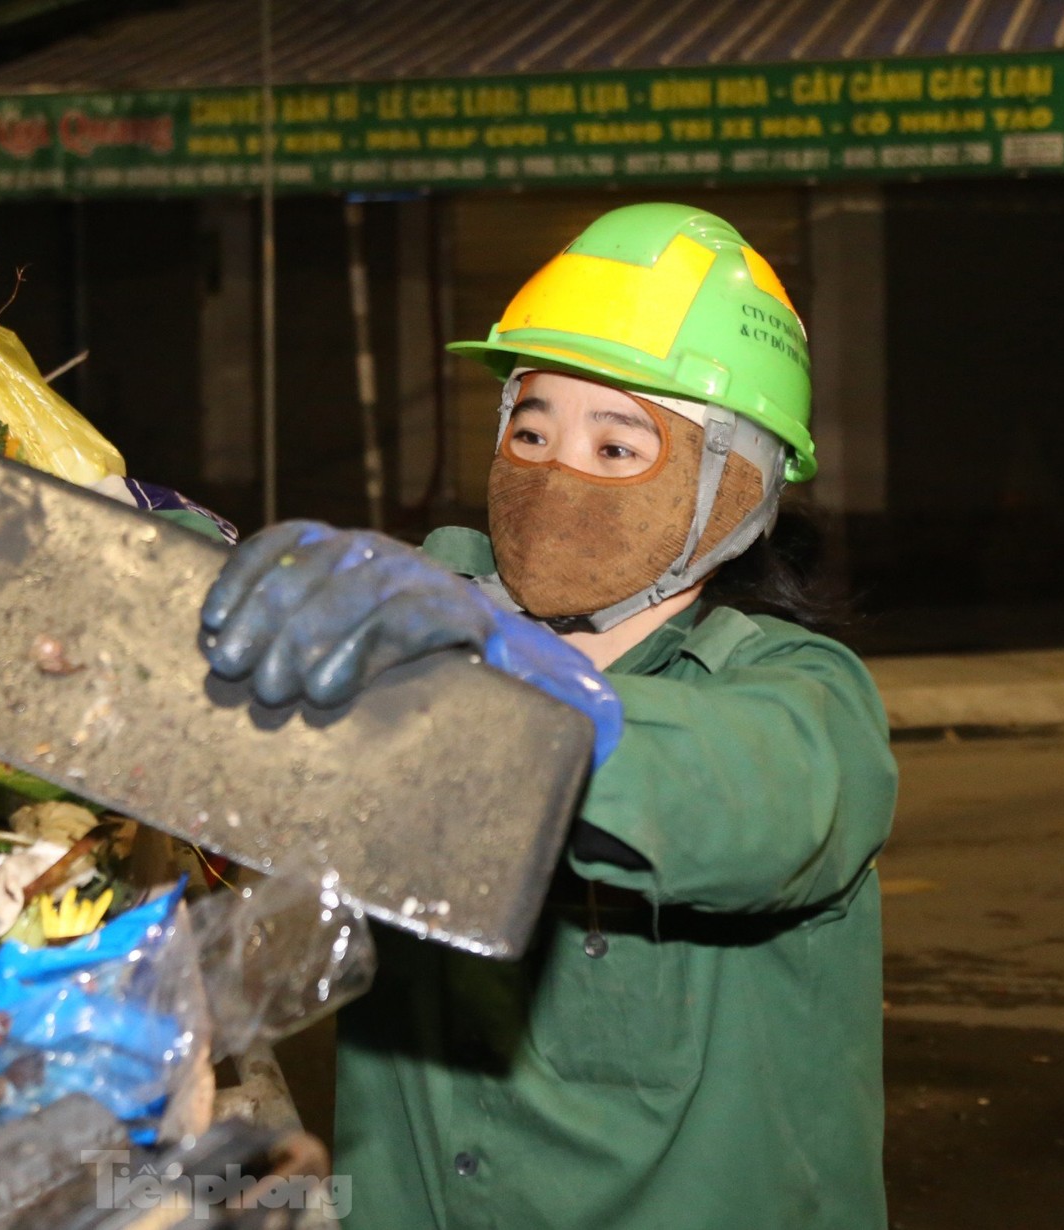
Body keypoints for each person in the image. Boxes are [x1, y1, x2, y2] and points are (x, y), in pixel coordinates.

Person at [199, 202, 896, 1229]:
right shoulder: (417, 632)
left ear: (735, 492)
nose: (554, 473)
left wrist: (515, 688)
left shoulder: (802, 695)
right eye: (529, 429)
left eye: (618, 449)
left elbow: (759, 796)